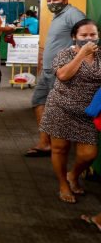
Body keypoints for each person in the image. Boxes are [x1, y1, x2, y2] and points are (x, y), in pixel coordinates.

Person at [39, 19, 101, 203]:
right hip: (61, 108)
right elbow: (64, 75)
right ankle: (63, 184)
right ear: (74, 37)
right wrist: (81, 54)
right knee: (59, 149)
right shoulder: (64, 54)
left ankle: (73, 175)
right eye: (83, 35)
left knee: (88, 154)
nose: (88, 38)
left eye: (93, 35)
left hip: (89, 113)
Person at [25, 0, 85, 157]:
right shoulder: (58, 15)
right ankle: (45, 143)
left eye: (55, 0)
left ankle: (62, 147)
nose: (52, 3)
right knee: (38, 102)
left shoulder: (73, 13)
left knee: (58, 109)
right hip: (47, 70)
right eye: (49, 1)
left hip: (60, 71)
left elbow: (86, 35)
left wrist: (73, 57)